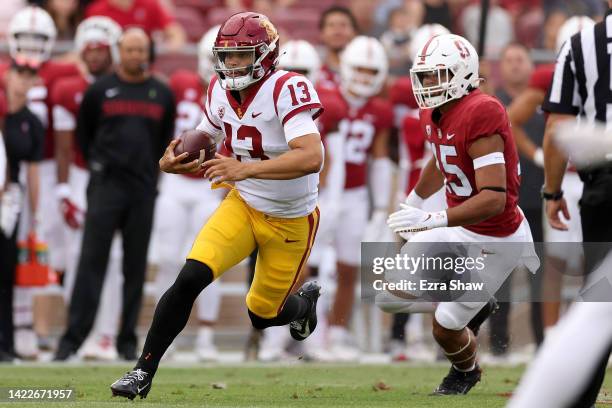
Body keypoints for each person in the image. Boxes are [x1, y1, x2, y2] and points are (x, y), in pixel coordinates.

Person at [110, 11, 324, 400]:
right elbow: (205, 135)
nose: (232, 64)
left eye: (242, 55)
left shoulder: (287, 87)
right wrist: (171, 159)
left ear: (266, 55)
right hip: (242, 205)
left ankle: (304, 305)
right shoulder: (218, 89)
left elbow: (312, 157)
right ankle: (142, 372)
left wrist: (245, 170)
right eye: (227, 55)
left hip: (291, 218)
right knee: (191, 276)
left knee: (262, 314)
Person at [377, 33, 538, 395]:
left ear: (462, 74)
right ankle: (475, 302)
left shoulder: (483, 110)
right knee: (388, 296)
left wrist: (432, 219)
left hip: (496, 238)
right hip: (461, 228)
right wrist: (414, 203)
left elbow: (495, 198)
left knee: (443, 328)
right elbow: (440, 157)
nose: (428, 84)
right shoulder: (435, 111)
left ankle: (464, 372)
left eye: (437, 75)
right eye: (425, 76)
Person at [54, 27, 176, 362]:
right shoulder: (99, 90)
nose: (136, 56)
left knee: (134, 269)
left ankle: (126, 341)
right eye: (130, 50)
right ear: (119, 51)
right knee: (91, 263)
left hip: (142, 190)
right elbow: (84, 137)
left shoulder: (161, 93)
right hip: (105, 187)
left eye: (141, 50)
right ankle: (71, 341)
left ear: (148, 52)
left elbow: (164, 140)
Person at [539, 2, 612, 405]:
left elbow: (557, 127)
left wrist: (552, 191)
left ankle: (578, 397)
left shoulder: (581, 44)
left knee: (600, 299)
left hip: (604, 182)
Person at [507, 16, 593, 342]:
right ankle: (553, 337)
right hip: (564, 179)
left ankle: (588, 339)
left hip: (596, 176)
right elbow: (511, 120)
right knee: (556, 262)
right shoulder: (550, 77)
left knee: (594, 259)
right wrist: (540, 156)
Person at [2, 5, 80, 358]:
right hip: (11, 170)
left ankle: (40, 329)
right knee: (17, 247)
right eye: (25, 39)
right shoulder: (7, 72)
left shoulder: (61, 72)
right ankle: (20, 325)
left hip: (45, 168)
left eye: (39, 39)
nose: (31, 46)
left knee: (41, 247)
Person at [314, 36, 393, 362]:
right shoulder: (325, 99)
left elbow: (379, 157)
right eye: (358, 69)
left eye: (370, 71)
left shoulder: (380, 111)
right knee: (312, 267)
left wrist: (379, 207)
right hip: (320, 192)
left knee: (349, 268)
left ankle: (338, 333)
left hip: (356, 195)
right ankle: (311, 334)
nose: (362, 77)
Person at [51, 16, 124, 361]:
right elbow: (64, 146)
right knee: (77, 257)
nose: (94, 56)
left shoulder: (126, 86)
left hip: (113, 178)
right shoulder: (68, 90)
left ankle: (106, 334)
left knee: (110, 259)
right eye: (88, 50)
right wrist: (64, 190)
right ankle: (79, 331)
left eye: (100, 49)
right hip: (81, 176)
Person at [150, 24, 224, 362]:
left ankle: (206, 335)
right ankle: (165, 338)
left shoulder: (234, 97)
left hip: (210, 184)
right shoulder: (179, 83)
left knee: (210, 263)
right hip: (176, 184)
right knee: (167, 258)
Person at [490, 42, 542, 357]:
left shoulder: (546, 103)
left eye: (520, 59)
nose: (514, 65)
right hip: (506, 202)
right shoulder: (493, 103)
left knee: (542, 273)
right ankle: (498, 344)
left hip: (539, 197)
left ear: (531, 64)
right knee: (501, 275)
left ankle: (543, 342)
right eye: (508, 59)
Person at [0, 62, 45, 362]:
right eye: (19, 74)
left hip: (10, 200)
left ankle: (5, 342)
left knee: (5, 272)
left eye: (30, 76)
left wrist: (34, 214)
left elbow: (32, 171)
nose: (22, 82)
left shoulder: (31, 121)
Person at [85, 0, 186, 52]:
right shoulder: (96, 10)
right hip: (109, 67)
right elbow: (86, 40)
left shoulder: (149, 4)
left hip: (143, 65)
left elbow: (175, 31)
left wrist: (170, 48)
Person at [318, 6, 358, 87]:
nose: (337, 31)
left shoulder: (366, 71)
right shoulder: (313, 70)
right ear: (321, 34)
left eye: (343, 25)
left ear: (354, 32)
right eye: (331, 25)